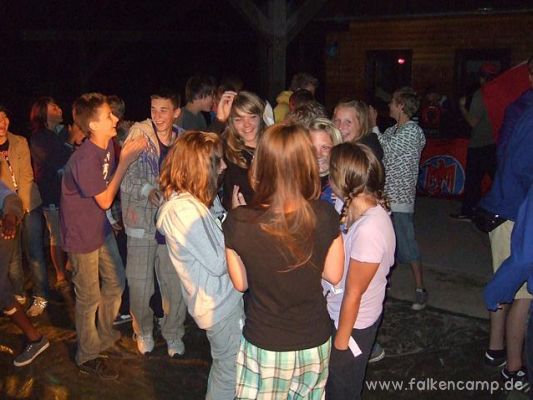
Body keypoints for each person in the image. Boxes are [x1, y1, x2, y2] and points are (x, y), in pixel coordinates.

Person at [223, 123, 344, 399]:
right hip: (314, 340)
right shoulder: (325, 214)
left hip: (266, 341)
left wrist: (237, 219)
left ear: (261, 165)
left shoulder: (239, 221)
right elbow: (334, 274)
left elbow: (241, 284)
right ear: (306, 163)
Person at [60, 93, 146, 379]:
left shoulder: (107, 142)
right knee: (88, 297)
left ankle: (105, 335)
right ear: (93, 125)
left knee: (116, 281)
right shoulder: (84, 159)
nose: (115, 119)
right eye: (109, 116)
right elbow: (106, 200)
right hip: (81, 236)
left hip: (100, 228)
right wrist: (125, 161)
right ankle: (87, 355)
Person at [157, 131, 243, 400]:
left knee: (230, 367)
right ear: (199, 166)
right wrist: (238, 223)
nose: (224, 166)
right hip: (219, 305)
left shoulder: (196, 202)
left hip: (222, 300)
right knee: (229, 371)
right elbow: (218, 261)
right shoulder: (183, 210)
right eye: (217, 161)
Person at [324, 143, 395, 399]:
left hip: (352, 326)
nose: (327, 178)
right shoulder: (356, 207)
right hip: (343, 316)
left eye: (331, 172)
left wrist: (341, 344)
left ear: (343, 181)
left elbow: (354, 294)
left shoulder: (369, 229)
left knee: (341, 390)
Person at [120, 89, 187, 356]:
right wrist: (148, 189)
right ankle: (143, 330)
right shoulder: (139, 135)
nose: (157, 116)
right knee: (139, 286)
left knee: (174, 287)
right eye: (153, 109)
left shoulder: (183, 140)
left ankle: (173, 332)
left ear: (176, 112)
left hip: (172, 226)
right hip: (141, 225)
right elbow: (125, 176)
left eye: (164, 110)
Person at [478, 67, 533, 387]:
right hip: (516, 211)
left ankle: (495, 349)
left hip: (508, 207)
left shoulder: (520, 106)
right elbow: (517, 165)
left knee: (507, 284)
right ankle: (513, 367)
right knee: (521, 292)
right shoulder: (527, 110)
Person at [377, 87, 427, 310]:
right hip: (385, 198)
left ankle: (420, 290)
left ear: (401, 106)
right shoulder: (392, 130)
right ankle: (383, 286)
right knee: (386, 247)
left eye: (392, 102)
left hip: (400, 199)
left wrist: (372, 126)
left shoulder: (412, 132)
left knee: (407, 245)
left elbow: (385, 150)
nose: (389, 105)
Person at [0, 106, 49, 317]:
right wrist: (10, 211)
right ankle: (18, 293)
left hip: (29, 203)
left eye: (4, 117)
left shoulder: (20, 141)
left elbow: (27, 176)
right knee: (12, 257)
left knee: (35, 252)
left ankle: (41, 296)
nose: (2, 122)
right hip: (5, 209)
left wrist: (22, 207)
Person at [0, 180, 50, 366]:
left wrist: (10, 217)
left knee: (2, 290)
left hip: (4, 232)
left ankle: (35, 338)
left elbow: (10, 197)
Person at [29, 97, 73, 290]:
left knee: (71, 230)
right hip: (52, 194)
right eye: (53, 108)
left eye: (58, 105)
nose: (59, 109)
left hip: (70, 193)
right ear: (42, 114)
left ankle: (71, 266)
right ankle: (60, 274)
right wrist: (71, 141)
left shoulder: (63, 131)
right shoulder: (39, 138)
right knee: (57, 234)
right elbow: (55, 161)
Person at [450, 63, 499, 221]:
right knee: (496, 177)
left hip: (479, 143)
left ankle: (469, 211)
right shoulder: (498, 93)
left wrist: (462, 107)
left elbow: (473, 122)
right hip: (494, 141)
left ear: (481, 77)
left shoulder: (481, 94)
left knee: (473, 180)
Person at [222, 91, 265, 210]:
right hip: (237, 218)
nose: (247, 124)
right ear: (231, 122)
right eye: (239, 119)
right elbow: (198, 155)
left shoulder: (274, 146)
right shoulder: (225, 150)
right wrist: (219, 120)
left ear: (260, 117)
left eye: (252, 117)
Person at [308, 118, 342, 204]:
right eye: (312, 148)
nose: (318, 155)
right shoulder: (299, 180)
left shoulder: (344, 184)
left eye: (325, 147)